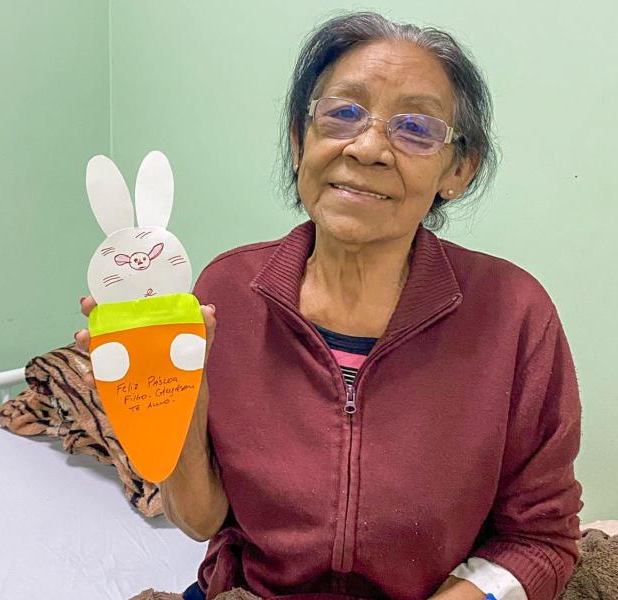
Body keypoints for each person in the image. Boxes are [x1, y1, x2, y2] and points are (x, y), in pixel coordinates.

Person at [76, 11, 582, 600]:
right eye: (342, 114)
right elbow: (202, 521)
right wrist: (166, 405)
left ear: (458, 170)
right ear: (300, 139)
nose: (367, 148)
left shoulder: (513, 314)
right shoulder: (227, 292)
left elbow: (540, 540)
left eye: (415, 128)